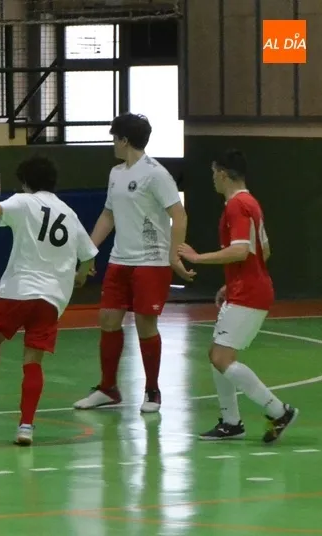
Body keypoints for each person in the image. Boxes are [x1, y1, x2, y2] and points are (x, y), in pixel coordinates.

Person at [0, 156, 98, 446]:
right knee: (33, 361)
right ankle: (25, 427)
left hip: (20, 289)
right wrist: (80, 276)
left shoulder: (24, 201)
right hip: (52, 299)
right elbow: (89, 255)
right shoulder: (69, 212)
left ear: (26, 183)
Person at [73, 113, 194, 414]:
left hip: (151, 263)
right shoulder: (116, 173)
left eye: (115, 138)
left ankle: (152, 391)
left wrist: (174, 254)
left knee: (145, 325)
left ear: (124, 140)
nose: (113, 143)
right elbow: (108, 215)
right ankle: (108, 389)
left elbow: (179, 216)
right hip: (119, 260)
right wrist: (88, 252)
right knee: (108, 320)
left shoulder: (156, 174)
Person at [178, 150, 297, 443]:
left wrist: (198, 257)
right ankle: (231, 422)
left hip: (249, 293)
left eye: (214, 173)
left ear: (222, 173)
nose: (213, 179)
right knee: (217, 355)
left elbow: (241, 250)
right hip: (247, 288)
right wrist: (231, 282)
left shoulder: (237, 205)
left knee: (221, 357)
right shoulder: (250, 203)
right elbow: (263, 251)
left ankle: (278, 411)